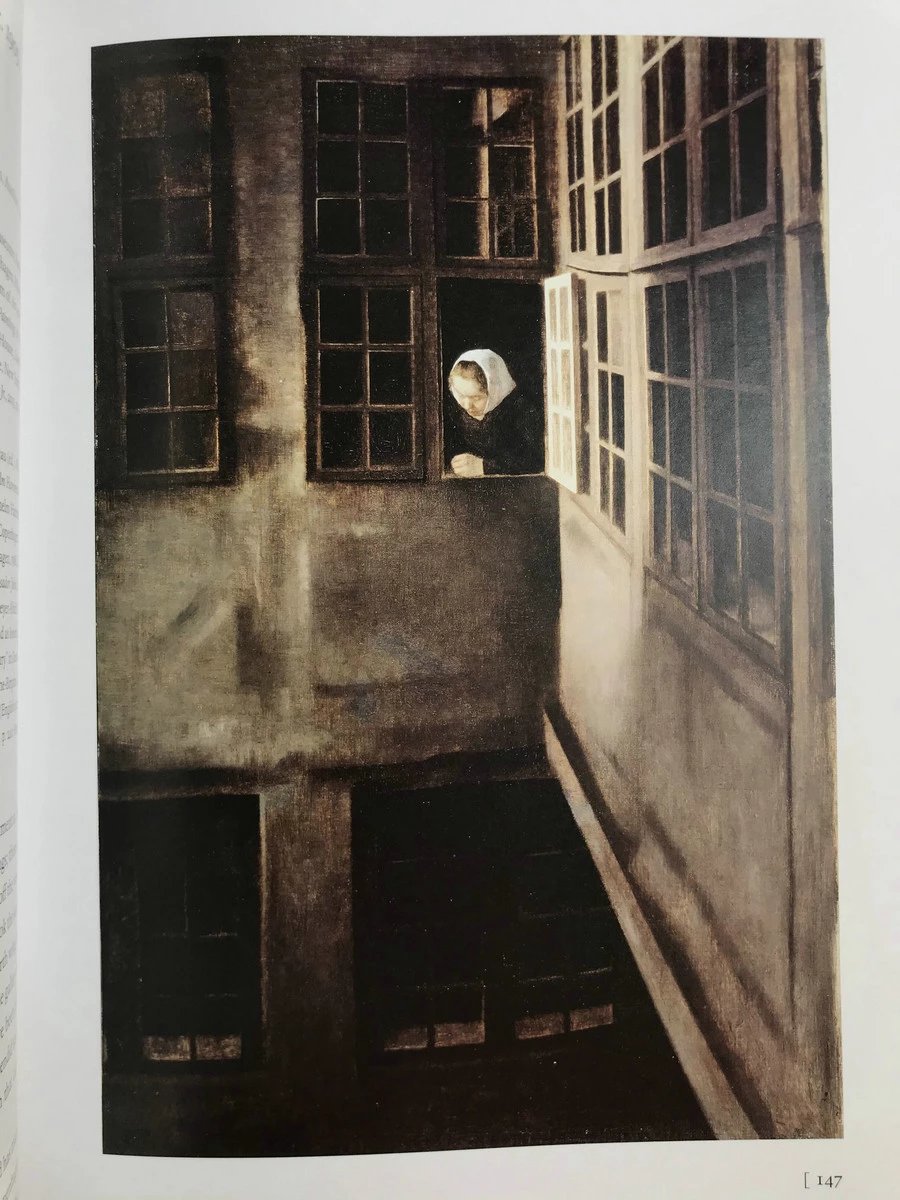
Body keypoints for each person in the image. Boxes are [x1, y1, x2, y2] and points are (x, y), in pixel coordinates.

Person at [445, 348, 543, 477]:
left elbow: (537, 461)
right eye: (461, 395)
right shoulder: (455, 413)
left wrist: (484, 466)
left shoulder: (521, 410)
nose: (467, 405)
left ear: (494, 390)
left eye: (476, 398)